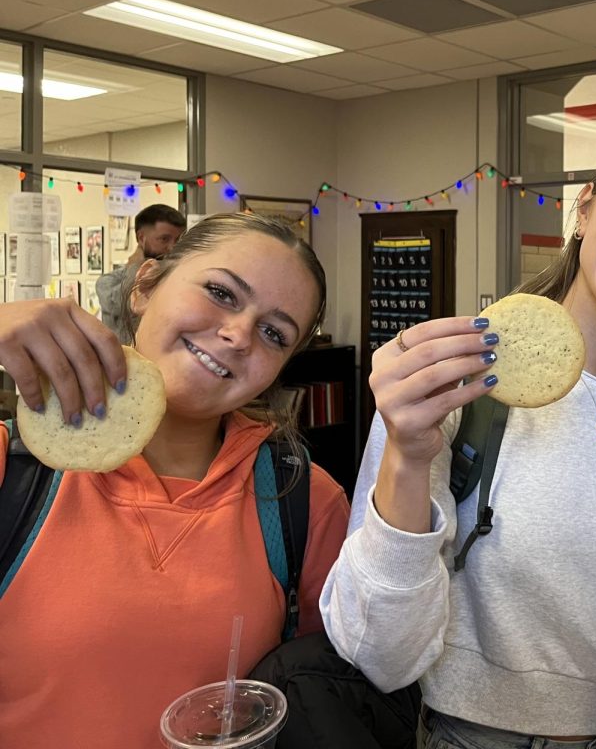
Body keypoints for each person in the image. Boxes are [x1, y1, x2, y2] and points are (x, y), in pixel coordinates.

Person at [321, 124, 596, 747]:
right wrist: (408, 456)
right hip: (469, 735)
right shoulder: (457, 376)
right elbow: (380, 652)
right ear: (585, 207)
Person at [0, 212, 350, 748]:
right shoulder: (14, 469)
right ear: (145, 286)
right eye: (221, 292)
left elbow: (325, 690)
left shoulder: (304, 500)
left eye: (274, 333)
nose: (236, 335)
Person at [96, 202, 186, 343]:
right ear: (141, 238)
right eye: (164, 239)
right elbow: (125, 305)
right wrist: (135, 268)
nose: (173, 247)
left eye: (179, 239)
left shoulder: (180, 279)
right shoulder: (108, 282)